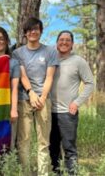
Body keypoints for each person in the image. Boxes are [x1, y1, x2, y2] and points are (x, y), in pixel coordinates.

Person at [12, 17, 59, 175]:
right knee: (23, 141)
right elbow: (22, 76)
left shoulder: (50, 51)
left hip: (44, 100)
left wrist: (42, 97)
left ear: (40, 31)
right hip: (24, 100)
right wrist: (31, 93)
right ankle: (25, 172)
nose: (33, 32)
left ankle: (43, 173)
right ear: (25, 33)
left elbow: (50, 77)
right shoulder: (17, 53)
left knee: (43, 142)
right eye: (29, 29)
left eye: (36, 29)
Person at [49, 30, 94, 175]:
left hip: (68, 113)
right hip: (49, 112)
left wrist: (77, 102)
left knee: (69, 149)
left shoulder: (79, 61)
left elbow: (90, 83)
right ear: (57, 43)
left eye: (68, 40)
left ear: (72, 44)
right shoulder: (51, 59)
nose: (64, 42)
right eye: (61, 39)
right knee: (53, 149)